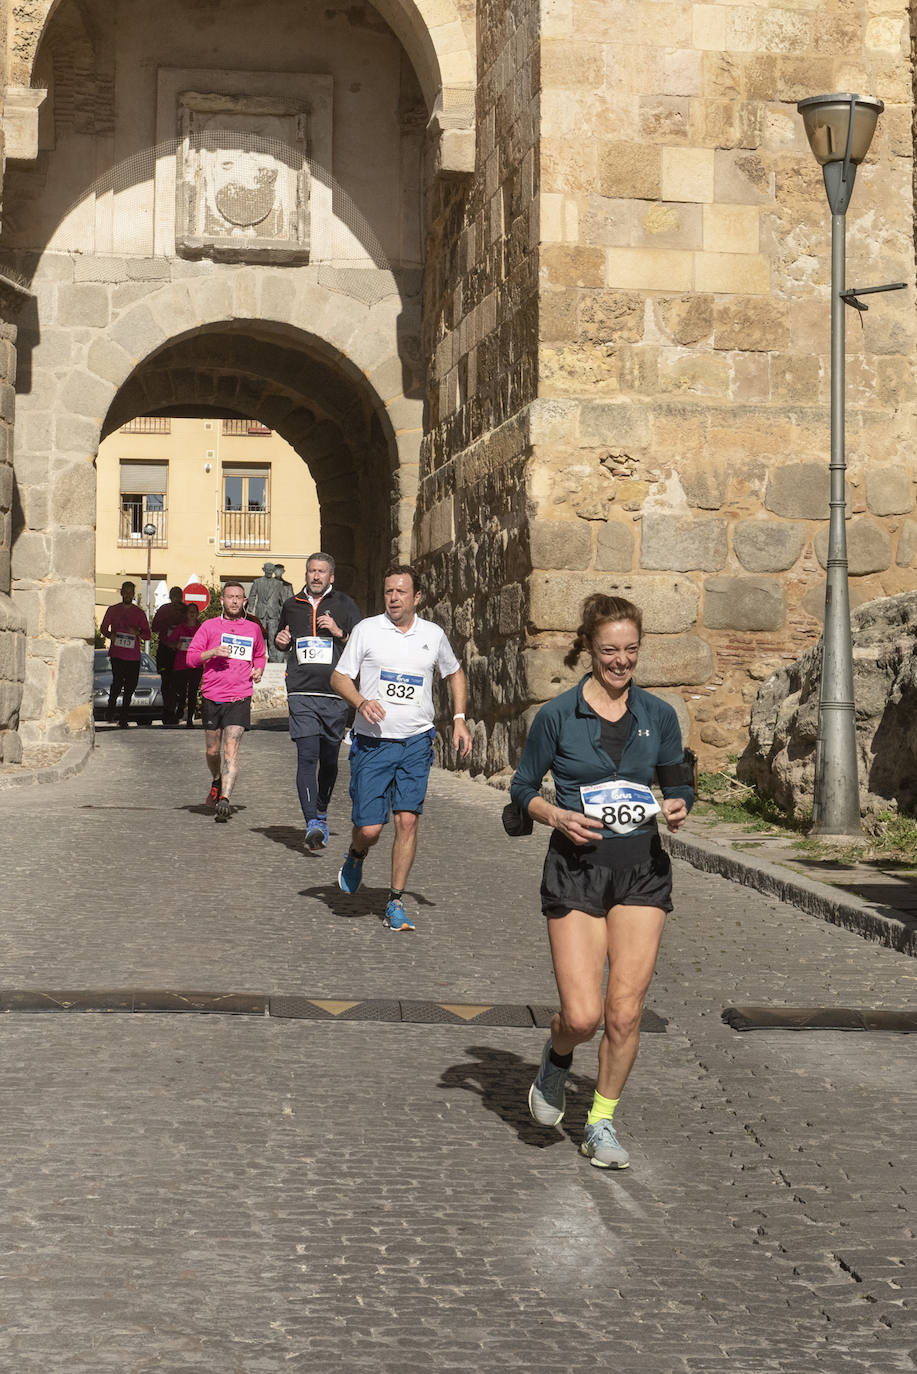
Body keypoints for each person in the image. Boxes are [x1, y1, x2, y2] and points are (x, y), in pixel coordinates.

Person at [509, 593, 694, 1170]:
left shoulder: (659, 716)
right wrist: (554, 814)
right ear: (588, 648)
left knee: (625, 1012)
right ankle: (557, 1057)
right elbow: (520, 790)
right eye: (610, 650)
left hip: (641, 868)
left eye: (631, 650)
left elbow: (679, 781)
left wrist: (681, 804)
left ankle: (601, 1122)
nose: (621, 661)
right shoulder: (558, 716)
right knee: (584, 1016)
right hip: (576, 871)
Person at [329, 564, 472, 931]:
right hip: (373, 743)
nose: (393, 598)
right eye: (388, 591)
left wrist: (458, 718)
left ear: (417, 597)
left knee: (407, 820)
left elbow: (454, 672)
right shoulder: (367, 631)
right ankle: (356, 854)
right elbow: (339, 677)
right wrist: (361, 702)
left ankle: (395, 901)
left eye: (401, 592)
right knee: (371, 828)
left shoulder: (433, 634)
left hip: (416, 741)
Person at [274, 552, 362, 851]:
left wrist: (338, 632)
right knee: (307, 755)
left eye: (321, 572)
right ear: (306, 573)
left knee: (328, 760)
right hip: (301, 692)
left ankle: (321, 811)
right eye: (312, 571)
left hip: (335, 694)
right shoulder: (291, 605)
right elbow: (282, 637)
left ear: (331, 576)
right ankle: (311, 821)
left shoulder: (345, 605)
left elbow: (361, 645)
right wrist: (279, 641)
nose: (315, 576)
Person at [186, 581, 266, 821]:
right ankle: (216, 780)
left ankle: (225, 799)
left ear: (245, 602)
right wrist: (213, 652)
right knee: (213, 750)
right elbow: (190, 659)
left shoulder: (253, 629)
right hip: (212, 696)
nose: (233, 601)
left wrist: (259, 670)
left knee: (231, 748)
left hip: (240, 696)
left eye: (238, 597)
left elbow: (260, 656)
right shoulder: (210, 627)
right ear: (222, 601)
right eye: (229, 597)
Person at [99, 582, 151, 728]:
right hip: (117, 653)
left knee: (130, 687)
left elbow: (148, 635)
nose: (128, 595)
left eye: (130, 592)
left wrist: (138, 632)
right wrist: (111, 635)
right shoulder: (112, 610)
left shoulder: (139, 613)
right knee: (117, 682)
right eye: (125, 592)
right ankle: (111, 707)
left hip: (133, 656)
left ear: (133, 594)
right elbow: (103, 628)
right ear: (121, 593)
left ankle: (123, 717)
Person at [151, 585, 186, 725]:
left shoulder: (186, 610)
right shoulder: (164, 609)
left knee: (180, 683)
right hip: (165, 650)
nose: (176, 599)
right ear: (171, 597)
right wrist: (168, 623)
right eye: (174, 596)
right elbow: (154, 627)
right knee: (166, 683)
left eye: (179, 596)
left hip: (181, 651)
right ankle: (168, 712)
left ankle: (179, 707)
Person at [165, 603, 202, 728]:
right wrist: (176, 645)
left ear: (197, 614)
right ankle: (180, 707)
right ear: (186, 614)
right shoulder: (180, 628)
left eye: (194, 612)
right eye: (190, 611)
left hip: (196, 664)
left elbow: (208, 643)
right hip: (181, 664)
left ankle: (189, 719)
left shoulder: (201, 628)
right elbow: (169, 642)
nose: (192, 614)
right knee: (181, 691)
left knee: (192, 692)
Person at [248, 562, 284, 662]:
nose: (269, 572)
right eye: (267, 570)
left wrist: (283, 613)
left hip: (273, 614)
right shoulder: (257, 582)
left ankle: (273, 658)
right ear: (263, 570)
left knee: (272, 636)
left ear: (273, 571)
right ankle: (259, 656)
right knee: (259, 636)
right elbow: (252, 595)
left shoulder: (279, 584)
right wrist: (251, 606)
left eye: (271, 570)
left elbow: (282, 599)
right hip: (261, 613)